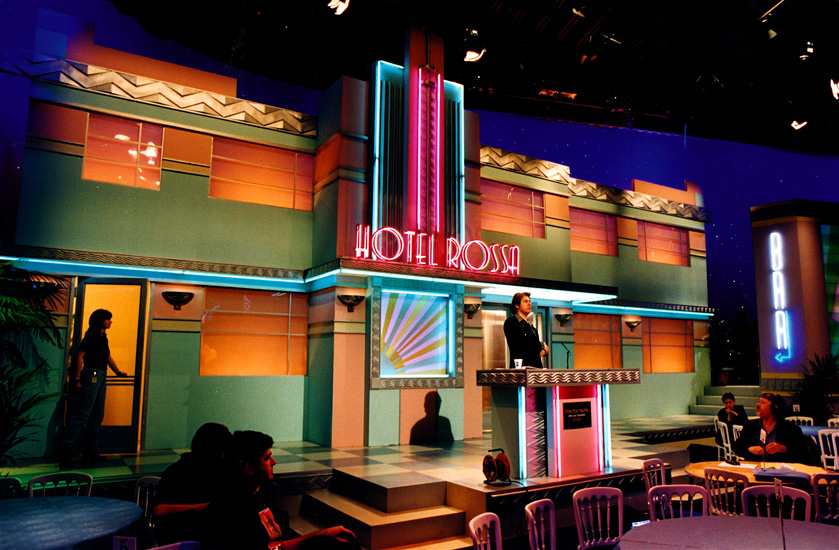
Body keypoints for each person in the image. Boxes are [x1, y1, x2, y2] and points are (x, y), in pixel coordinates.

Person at [202, 430, 360, 550]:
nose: (274, 462)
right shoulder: (235, 511)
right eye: (266, 458)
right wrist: (321, 536)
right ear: (250, 468)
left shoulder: (257, 494)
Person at [59, 309, 127, 465]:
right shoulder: (91, 336)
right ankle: (67, 451)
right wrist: (77, 378)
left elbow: (107, 356)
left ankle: (90, 450)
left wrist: (117, 372)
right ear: (100, 320)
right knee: (82, 414)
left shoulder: (103, 338)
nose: (110, 321)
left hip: (101, 374)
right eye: (108, 319)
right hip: (92, 374)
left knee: (97, 415)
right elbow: (79, 356)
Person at [153, 423, 234, 545]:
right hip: (183, 539)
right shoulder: (178, 472)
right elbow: (159, 511)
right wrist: (200, 508)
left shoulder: (216, 471)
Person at [732, 392, 811, 464]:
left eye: (763, 402)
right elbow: (736, 446)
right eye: (759, 401)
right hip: (755, 468)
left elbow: (802, 453)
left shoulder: (790, 428)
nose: (758, 405)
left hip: (780, 470)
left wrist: (784, 449)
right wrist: (749, 449)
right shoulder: (751, 425)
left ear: (774, 408)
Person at [502, 292, 548, 368]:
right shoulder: (511, 322)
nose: (529, 304)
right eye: (525, 301)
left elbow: (533, 344)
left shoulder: (532, 327)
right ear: (517, 305)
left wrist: (540, 348)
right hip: (521, 369)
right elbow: (523, 344)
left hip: (535, 369)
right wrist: (542, 346)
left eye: (529, 301)